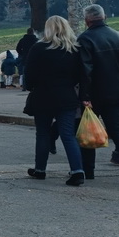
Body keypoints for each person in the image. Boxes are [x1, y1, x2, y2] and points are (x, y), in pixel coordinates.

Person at [78, 4, 119, 185]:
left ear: (87, 20)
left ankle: (88, 170)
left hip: (94, 93)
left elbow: (85, 70)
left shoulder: (85, 39)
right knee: (117, 130)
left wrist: (84, 95)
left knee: (88, 130)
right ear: (104, 16)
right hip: (116, 90)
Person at [23, 16, 86, 186]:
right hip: (66, 95)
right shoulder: (73, 49)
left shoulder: (38, 48)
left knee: (43, 133)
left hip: (43, 96)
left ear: (48, 29)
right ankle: (77, 170)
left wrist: (32, 86)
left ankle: (40, 169)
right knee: (68, 134)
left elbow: (28, 74)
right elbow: (80, 75)